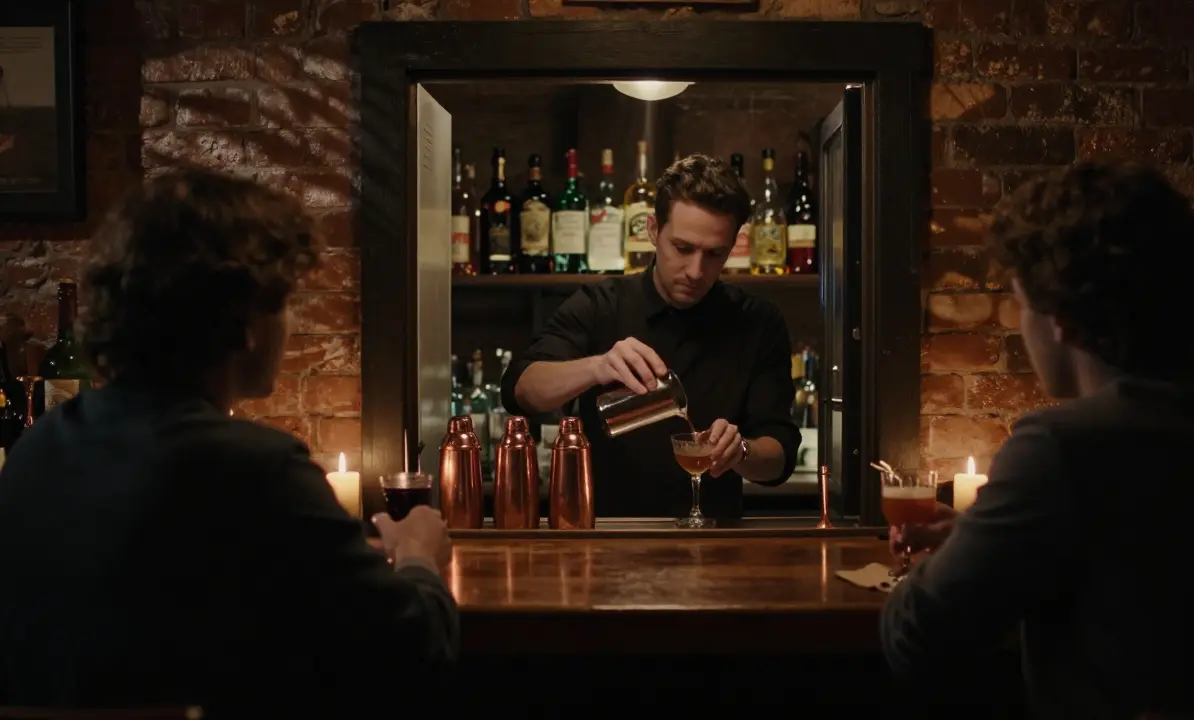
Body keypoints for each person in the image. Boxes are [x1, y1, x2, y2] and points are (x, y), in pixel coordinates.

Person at [0, 168, 460, 715]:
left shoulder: (39, 450)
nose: (288, 325)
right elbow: (410, 655)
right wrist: (417, 556)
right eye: (284, 302)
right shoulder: (257, 470)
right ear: (245, 321)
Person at [878, 162, 1194, 717]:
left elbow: (915, 639)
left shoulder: (1060, 447)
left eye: (1021, 303)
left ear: (1061, 317)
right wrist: (983, 531)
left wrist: (942, 564)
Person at [500, 154, 801, 519]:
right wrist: (597, 367)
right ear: (653, 230)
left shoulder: (757, 322)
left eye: (715, 254)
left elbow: (779, 455)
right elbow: (520, 390)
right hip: (608, 537)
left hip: (713, 544)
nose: (696, 271)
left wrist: (742, 452)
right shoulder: (601, 305)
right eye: (683, 248)